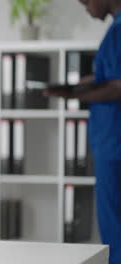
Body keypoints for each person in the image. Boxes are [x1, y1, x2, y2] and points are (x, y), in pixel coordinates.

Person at [45, 1, 121, 263]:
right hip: (110, 141)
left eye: (86, 2)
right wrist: (80, 85)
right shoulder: (115, 30)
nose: (86, 8)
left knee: (115, 223)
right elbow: (108, 76)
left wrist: (72, 93)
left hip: (115, 144)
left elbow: (117, 86)